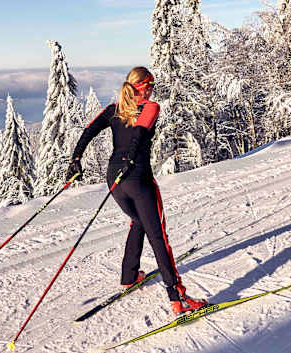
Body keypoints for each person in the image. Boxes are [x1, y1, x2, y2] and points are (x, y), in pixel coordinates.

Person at [67, 66, 207, 315]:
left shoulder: (113, 110)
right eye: (151, 86)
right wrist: (131, 160)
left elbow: (89, 130)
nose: (154, 91)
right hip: (138, 178)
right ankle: (178, 298)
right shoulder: (151, 107)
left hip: (114, 180)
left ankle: (129, 275)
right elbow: (140, 134)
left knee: (138, 221)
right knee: (159, 237)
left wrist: (75, 160)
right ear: (144, 87)